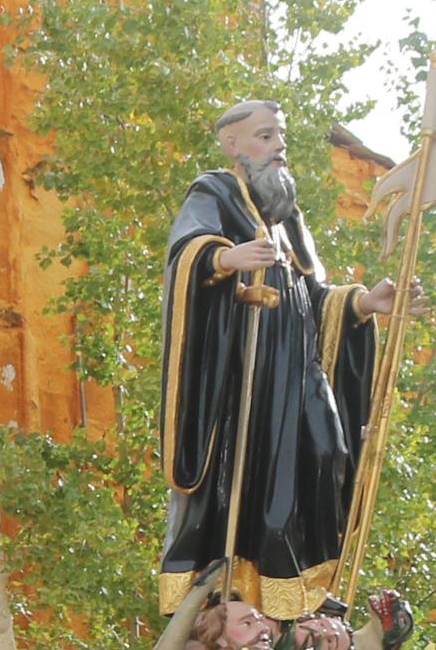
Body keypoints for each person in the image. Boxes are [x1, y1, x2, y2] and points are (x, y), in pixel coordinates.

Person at [154, 96, 400, 619]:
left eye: (279, 137)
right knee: (256, 476)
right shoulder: (214, 193)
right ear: (233, 144)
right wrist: (225, 258)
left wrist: (361, 303)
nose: (278, 148)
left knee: (327, 453)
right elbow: (185, 255)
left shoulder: (288, 220)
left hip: (299, 369)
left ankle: (302, 585)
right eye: (265, 137)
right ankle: (240, 584)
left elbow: (314, 294)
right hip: (243, 374)